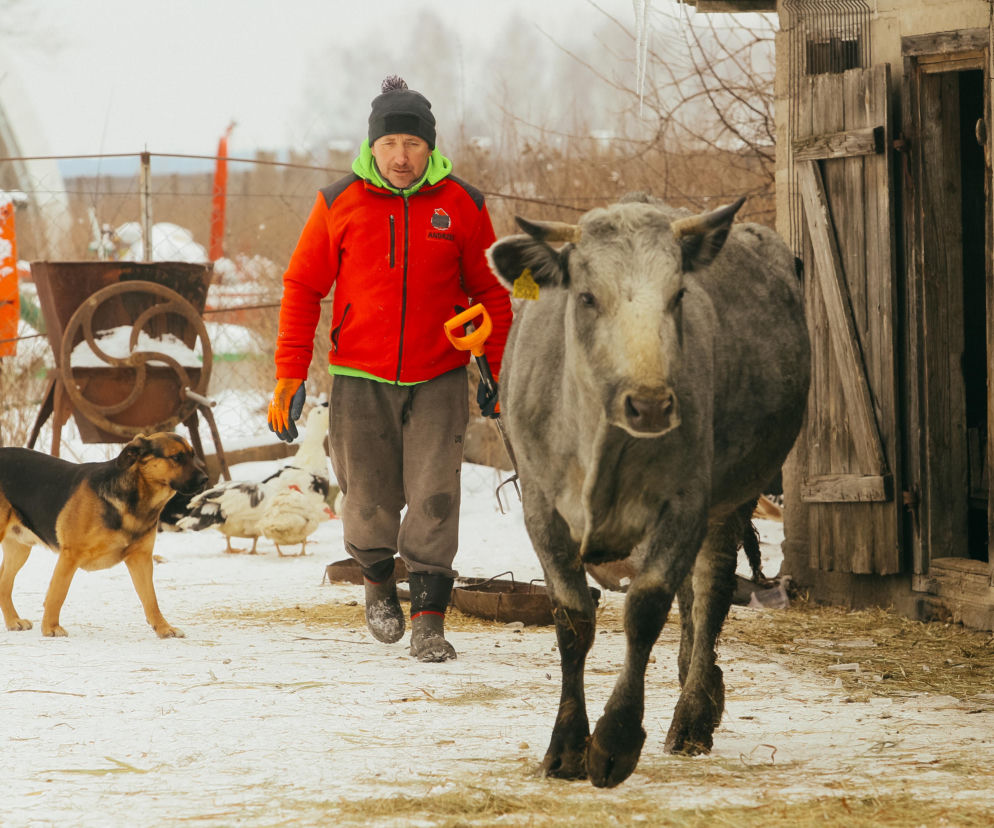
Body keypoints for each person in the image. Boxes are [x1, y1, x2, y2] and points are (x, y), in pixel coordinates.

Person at [268, 75, 512, 662]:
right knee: (368, 497)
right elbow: (302, 286)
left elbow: (495, 290)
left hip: (439, 376)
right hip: (358, 377)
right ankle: (378, 584)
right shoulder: (337, 203)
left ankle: (430, 620)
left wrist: (496, 367)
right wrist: (289, 373)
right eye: (390, 143)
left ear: (431, 147)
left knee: (434, 495)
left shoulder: (463, 205)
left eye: (413, 143)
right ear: (371, 146)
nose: (401, 156)